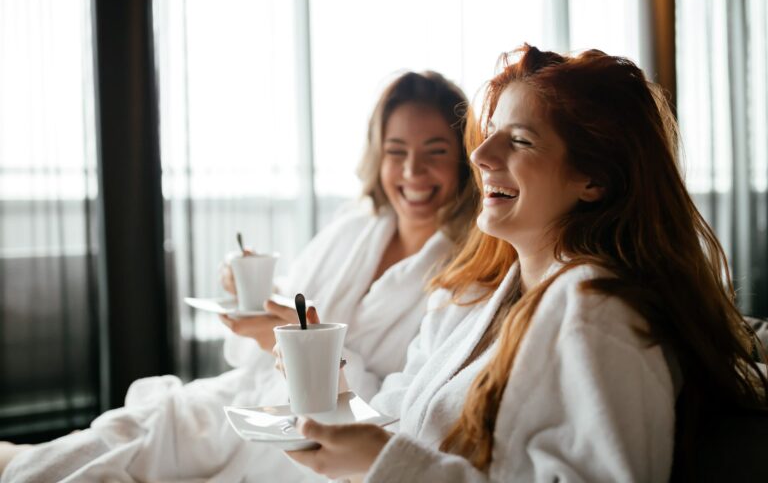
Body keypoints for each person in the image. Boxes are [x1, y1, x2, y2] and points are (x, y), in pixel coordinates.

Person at [286, 45, 768, 482]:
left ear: (593, 180)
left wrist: (387, 465)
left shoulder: (598, 312)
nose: (479, 154)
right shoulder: (478, 300)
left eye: (519, 141)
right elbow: (395, 422)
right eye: (490, 133)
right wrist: (331, 381)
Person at [0, 70, 479, 482]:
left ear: (463, 159)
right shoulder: (352, 228)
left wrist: (291, 348)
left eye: (434, 151)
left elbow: (394, 419)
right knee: (109, 440)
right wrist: (255, 305)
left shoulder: (466, 275)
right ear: (379, 157)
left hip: (313, 445)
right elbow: (285, 318)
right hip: (246, 403)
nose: (413, 170)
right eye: (397, 151)